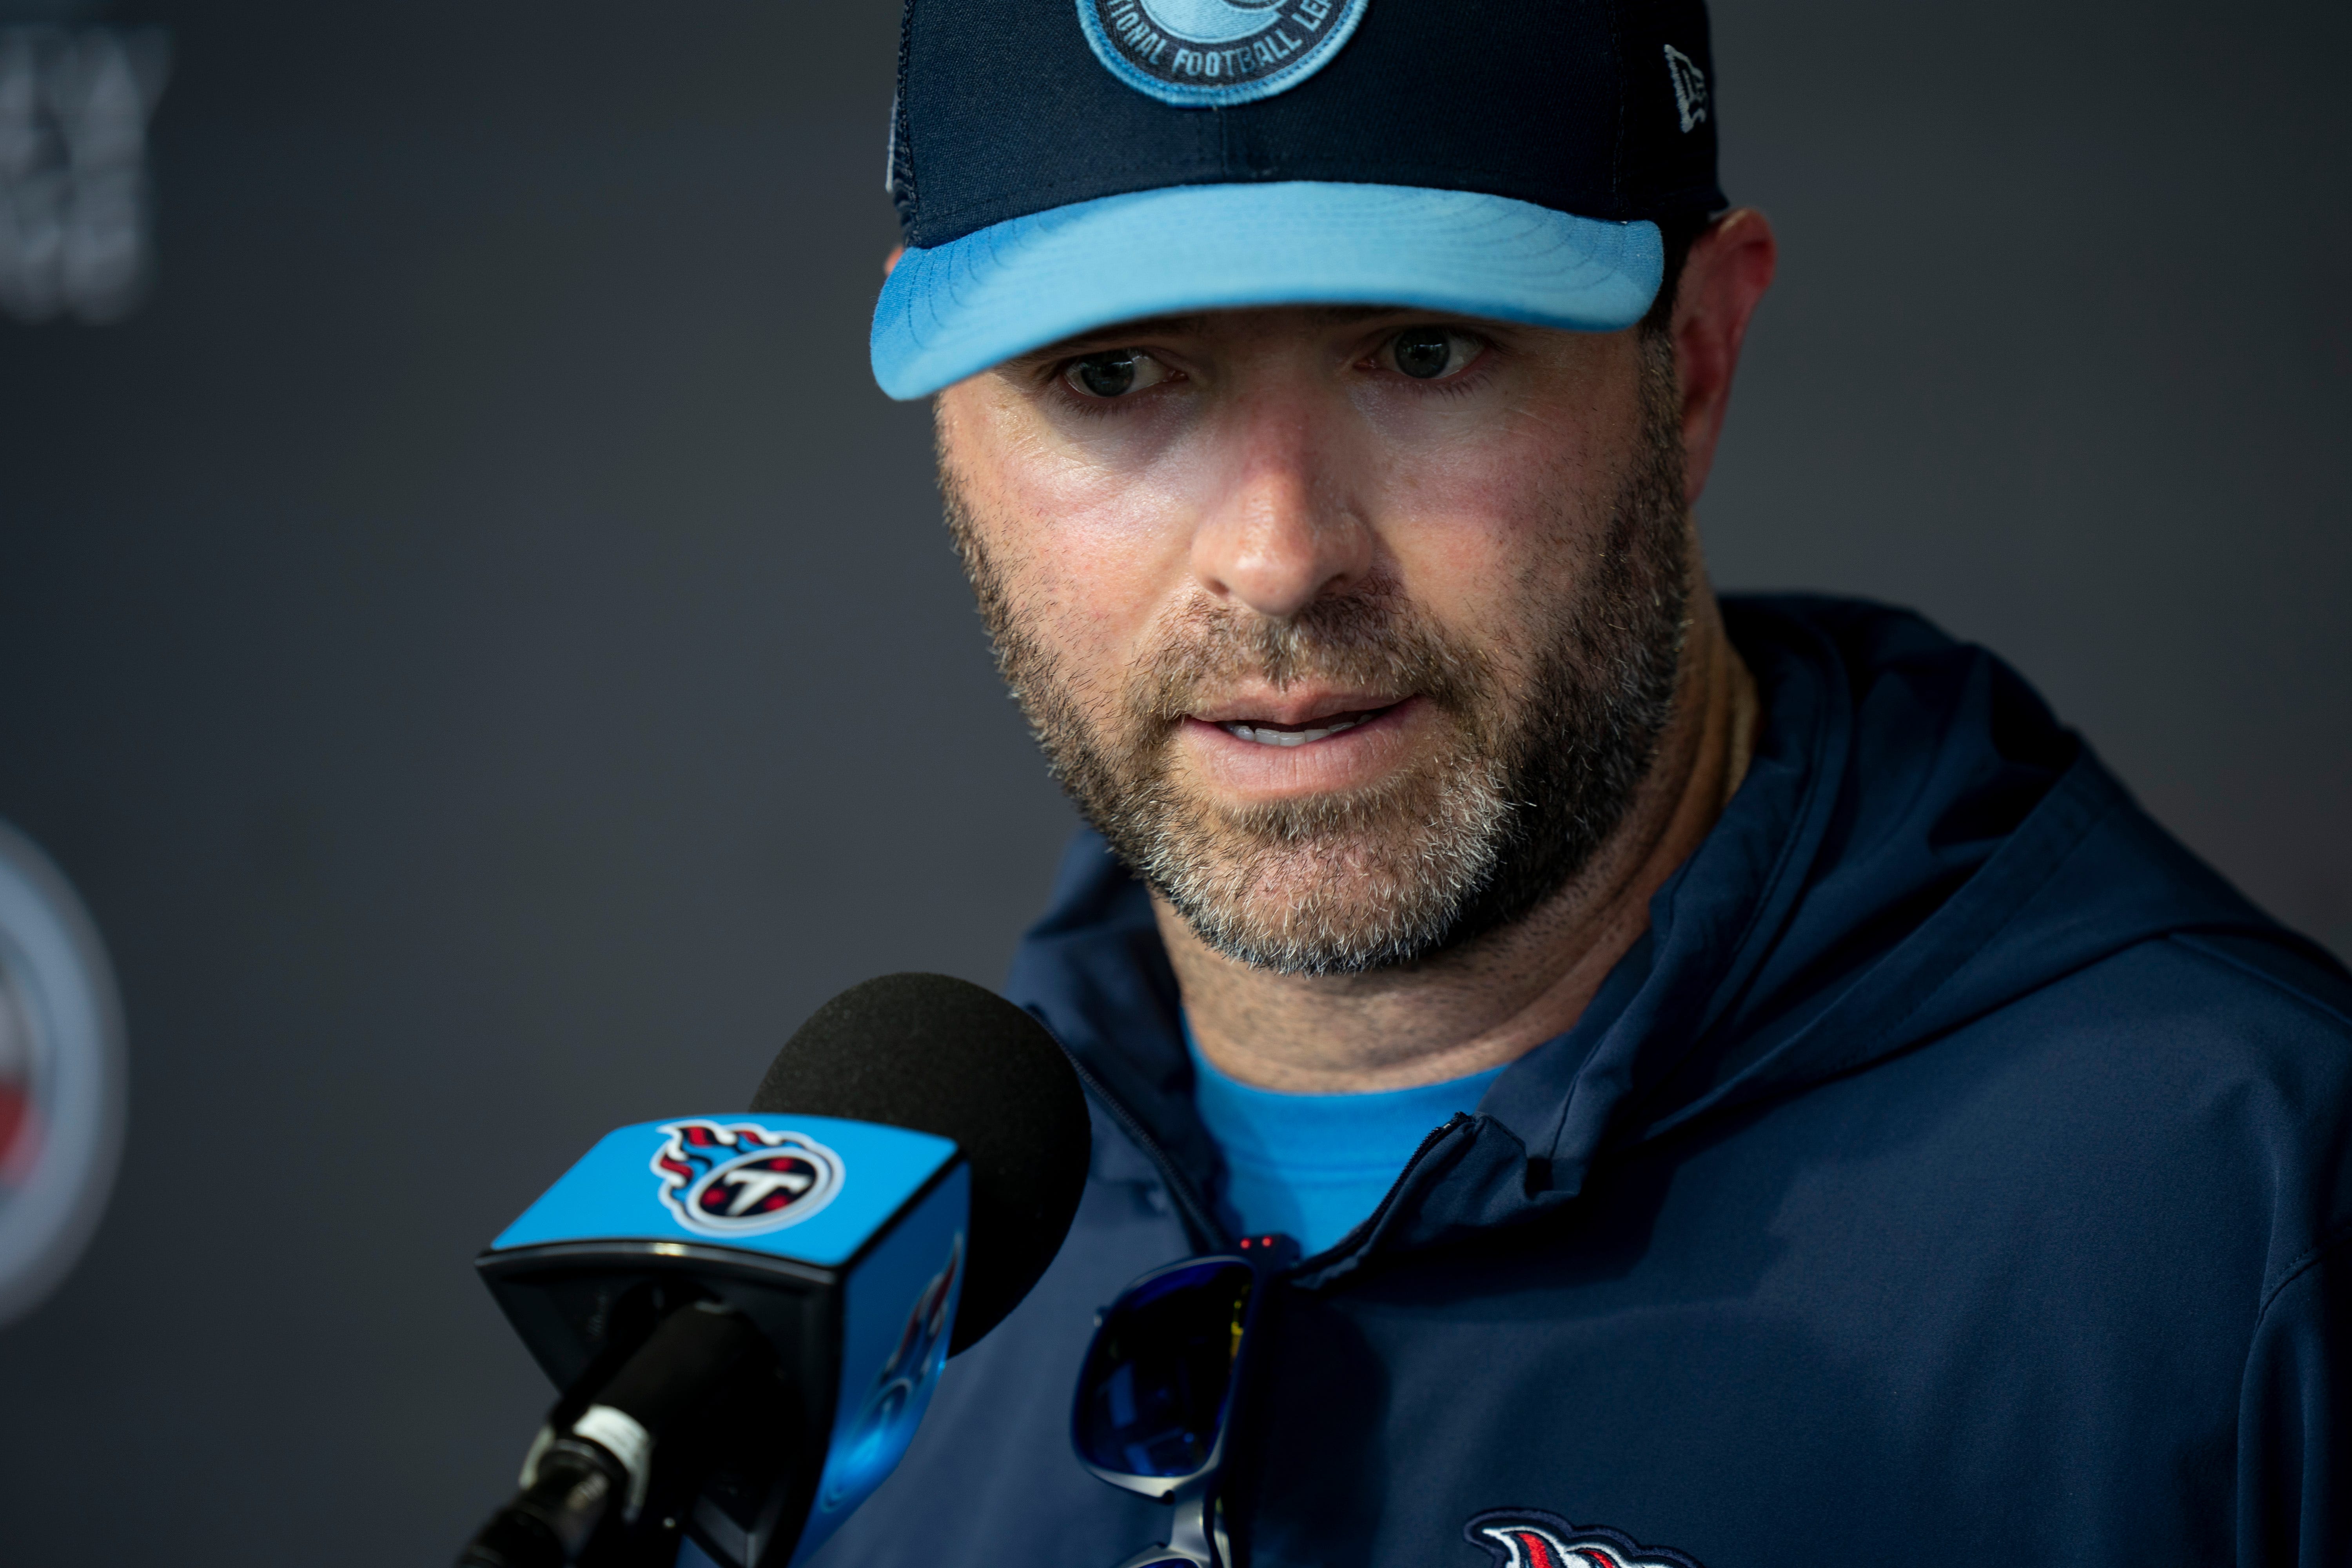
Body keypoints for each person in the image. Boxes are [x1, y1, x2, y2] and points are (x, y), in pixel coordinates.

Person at [818, 2, 2352, 1564]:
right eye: (1111, 374)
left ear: (1691, 362)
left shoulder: (2248, 1221)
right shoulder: (828, 1318)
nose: (1278, 558)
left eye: (1425, 351)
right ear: (954, 421)